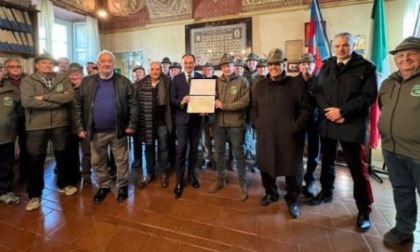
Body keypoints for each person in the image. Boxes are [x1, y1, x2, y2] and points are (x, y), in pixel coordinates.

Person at [311, 32, 377, 232]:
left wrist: (342, 111)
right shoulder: (327, 65)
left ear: (353, 45)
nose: (341, 49)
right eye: (337, 45)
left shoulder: (366, 67)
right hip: (328, 122)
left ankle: (363, 209)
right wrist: (329, 112)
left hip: (351, 123)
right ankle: (326, 191)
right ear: (333, 47)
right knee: (327, 161)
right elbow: (317, 90)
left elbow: (368, 96)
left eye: (345, 45)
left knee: (356, 168)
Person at [250, 49, 310, 218]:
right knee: (266, 166)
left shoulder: (295, 84)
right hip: (266, 135)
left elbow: (306, 108)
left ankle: (292, 199)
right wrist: (258, 124)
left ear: (283, 65)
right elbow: (253, 108)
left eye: (277, 64)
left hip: (290, 136)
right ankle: (271, 193)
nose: (273, 67)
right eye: (270, 64)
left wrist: (296, 127)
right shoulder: (260, 85)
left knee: (293, 170)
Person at [73, 50, 137, 204]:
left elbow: (133, 104)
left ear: (114, 64)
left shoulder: (124, 81)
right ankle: (104, 185)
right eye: (103, 61)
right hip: (95, 131)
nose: (106, 64)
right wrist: (80, 127)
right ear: (98, 64)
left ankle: (122, 186)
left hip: (118, 130)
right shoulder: (87, 82)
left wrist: (131, 124)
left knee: (121, 161)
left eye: (110, 61)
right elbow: (77, 105)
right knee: (97, 161)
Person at [20, 52, 76, 211]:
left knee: (62, 156)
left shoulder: (62, 78)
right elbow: (28, 102)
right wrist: (57, 102)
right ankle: (34, 195)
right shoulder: (28, 80)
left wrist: (44, 97)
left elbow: (69, 96)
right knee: (36, 160)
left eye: (50, 63)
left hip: (59, 124)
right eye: (44, 63)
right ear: (37, 65)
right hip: (36, 126)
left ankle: (63, 184)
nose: (48, 65)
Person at [378, 37, 420, 245]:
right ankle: (404, 229)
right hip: (392, 149)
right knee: (402, 191)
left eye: (412, 53)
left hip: (418, 152)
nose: (405, 58)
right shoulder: (388, 83)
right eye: (401, 55)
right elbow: (383, 108)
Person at [208, 53, 250, 201]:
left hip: (235, 124)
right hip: (218, 123)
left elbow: (245, 102)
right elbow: (211, 100)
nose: (226, 68)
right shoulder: (216, 82)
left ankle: (242, 183)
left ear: (234, 66)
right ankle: (220, 179)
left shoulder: (242, 81)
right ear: (221, 68)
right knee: (219, 152)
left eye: (229, 65)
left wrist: (224, 106)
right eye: (223, 66)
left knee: (239, 154)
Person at [170, 54, 203, 199]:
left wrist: (205, 107)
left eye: (191, 63)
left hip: (197, 120)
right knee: (181, 150)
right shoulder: (176, 79)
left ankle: (192, 176)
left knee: (194, 150)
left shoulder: (201, 78)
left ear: (195, 63)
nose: (188, 65)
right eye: (186, 63)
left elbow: (204, 96)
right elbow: (172, 99)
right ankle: (179, 182)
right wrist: (182, 101)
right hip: (182, 119)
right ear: (182, 64)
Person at [136, 61, 172, 189]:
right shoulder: (140, 84)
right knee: (149, 148)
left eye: (158, 69)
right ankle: (150, 173)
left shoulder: (168, 82)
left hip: (162, 121)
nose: (155, 71)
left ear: (161, 70)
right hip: (146, 122)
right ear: (148, 70)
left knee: (163, 148)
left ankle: (163, 173)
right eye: (153, 69)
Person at [296, 53, 320, 198]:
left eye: (309, 64)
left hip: (315, 122)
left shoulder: (319, 82)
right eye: (303, 64)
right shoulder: (293, 82)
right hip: (299, 122)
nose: (306, 67)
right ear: (300, 66)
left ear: (314, 65)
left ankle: (310, 179)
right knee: (296, 151)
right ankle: (296, 178)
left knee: (313, 153)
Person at [2, 58, 29, 183]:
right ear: (7, 69)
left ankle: (24, 174)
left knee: (26, 148)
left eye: (18, 66)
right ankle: (8, 180)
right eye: (12, 67)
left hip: (26, 118)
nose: (16, 68)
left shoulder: (29, 79)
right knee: (7, 152)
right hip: (8, 120)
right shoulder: (2, 80)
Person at [65, 63, 90, 186]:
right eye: (72, 74)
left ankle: (86, 176)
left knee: (86, 152)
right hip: (68, 126)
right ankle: (74, 174)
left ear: (82, 75)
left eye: (77, 74)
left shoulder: (88, 87)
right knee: (71, 152)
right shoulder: (64, 89)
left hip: (84, 125)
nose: (75, 77)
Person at [0, 66, 21, 205]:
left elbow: (20, 110)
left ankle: (4, 191)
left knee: (6, 164)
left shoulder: (11, 90)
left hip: (5, 134)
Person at [199, 62, 217, 169]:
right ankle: (207, 158)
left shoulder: (218, 81)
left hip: (215, 114)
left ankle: (217, 159)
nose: (207, 72)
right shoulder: (198, 82)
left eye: (209, 69)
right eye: (205, 69)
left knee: (218, 138)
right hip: (202, 115)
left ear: (213, 71)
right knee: (204, 138)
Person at [131, 65, 146, 169]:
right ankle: (138, 159)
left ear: (144, 73)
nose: (138, 74)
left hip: (147, 116)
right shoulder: (131, 85)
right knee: (136, 140)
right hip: (136, 117)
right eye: (136, 72)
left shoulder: (148, 85)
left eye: (140, 72)